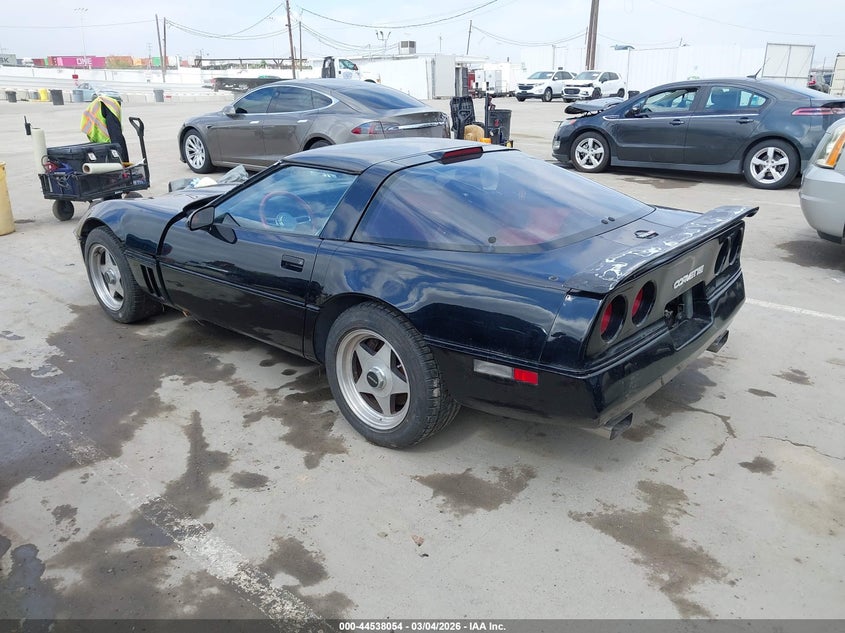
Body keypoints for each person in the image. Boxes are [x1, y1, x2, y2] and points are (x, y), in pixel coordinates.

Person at [80, 95, 129, 163]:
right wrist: (124, 161)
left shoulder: (95, 104)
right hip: (107, 142)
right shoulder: (111, 106)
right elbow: (116, 135)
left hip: (97, 141)